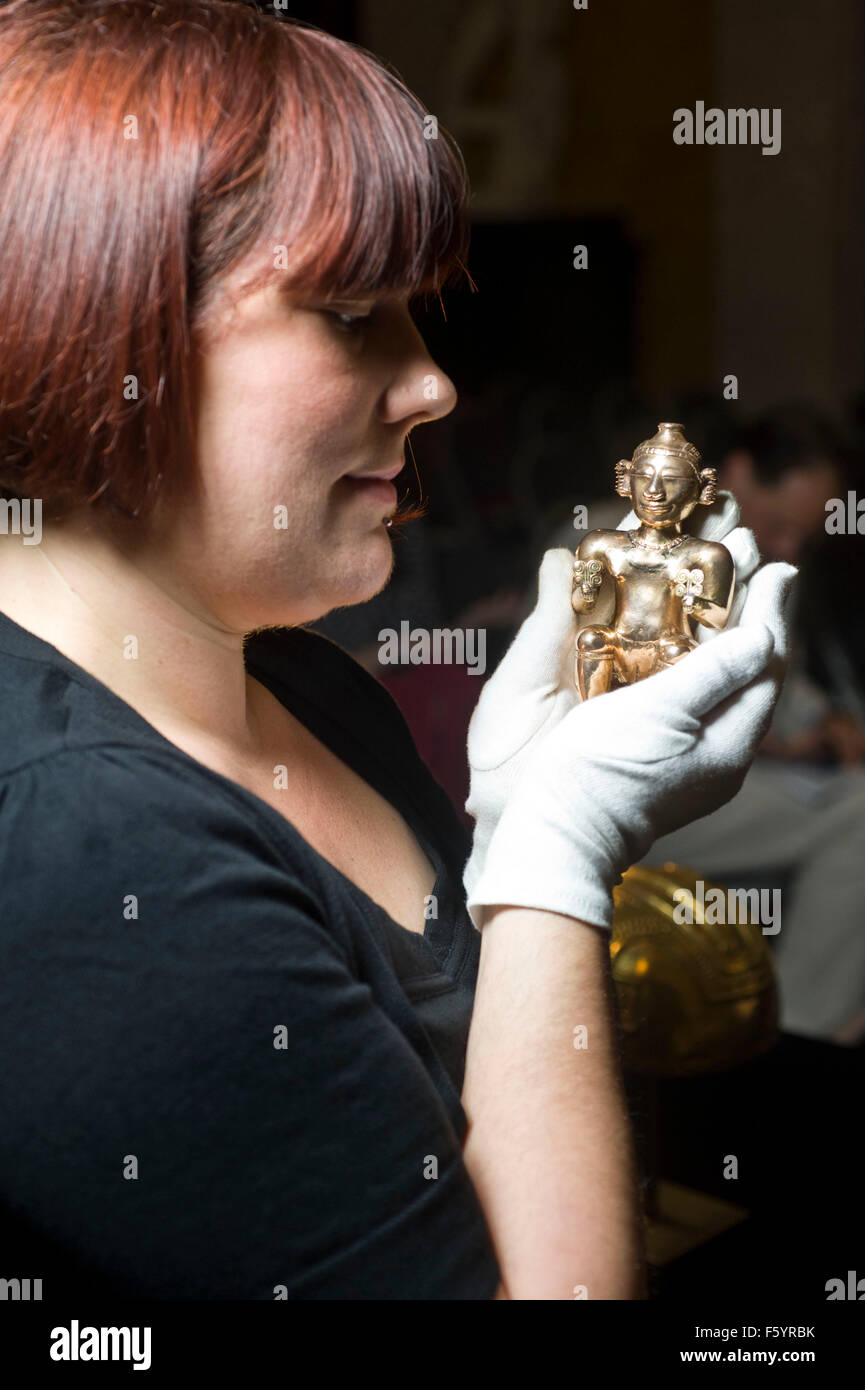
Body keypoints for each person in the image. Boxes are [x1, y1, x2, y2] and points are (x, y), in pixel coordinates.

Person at [0, 0, 794, 1300]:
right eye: (354, 313)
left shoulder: (300, 676)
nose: (433, 383)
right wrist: (556, 860)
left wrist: (512, 822)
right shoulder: (76, 851)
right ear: (102, 332)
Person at [638, 407, 865, 1044]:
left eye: (805, 536)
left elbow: (782, 680)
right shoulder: (649, 549)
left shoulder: (756, 561)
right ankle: (802, 1035)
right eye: (785, 525)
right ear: (738, 474)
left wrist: (827, 717)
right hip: (645, 795)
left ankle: (823, 1019)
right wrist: (776, 741)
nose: (792, 548)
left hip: (733, 780)